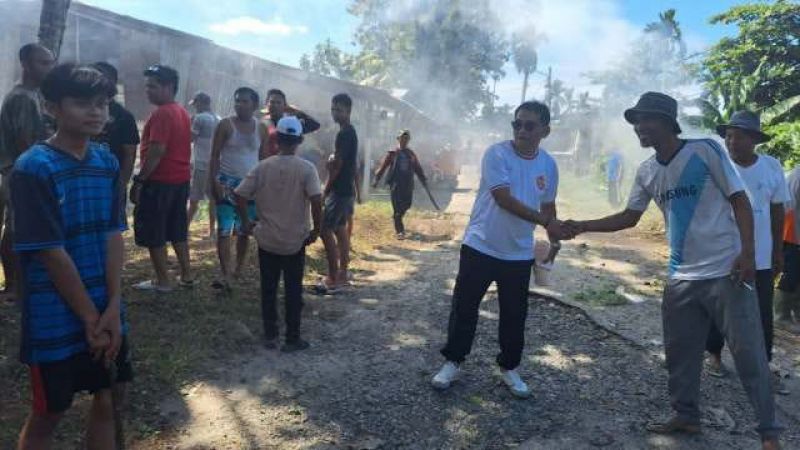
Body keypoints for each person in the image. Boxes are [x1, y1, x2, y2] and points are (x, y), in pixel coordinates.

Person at [564, 92, 781, 450]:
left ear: (666, 121)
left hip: (725, 272)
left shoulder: (706, 150)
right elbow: (629, 217)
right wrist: (579, 225)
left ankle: (769, 433)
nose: (638, 127)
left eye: (644, 119)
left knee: (749, 353)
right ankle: (686, 417)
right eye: (635, 121)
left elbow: (740, 201)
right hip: (681, 277)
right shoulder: (648, 171)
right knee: (680, 354)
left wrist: (747, 253)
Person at [13, 63, 131, 450]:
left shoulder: (107, 163)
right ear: (51, 108)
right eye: (82, 103)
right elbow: (50, 252)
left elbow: (114, 234)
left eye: (102, 104)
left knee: (109, 396)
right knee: (50, 411)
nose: (96, 112)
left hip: (105, 306)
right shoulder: (33, 168)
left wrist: (113, 306)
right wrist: (89, 318)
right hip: (55, 314)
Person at [431, 101, 566, 399]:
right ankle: (452, 362)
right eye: (517, 124)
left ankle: (509, 368)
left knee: (515, 315)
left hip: (518, 253)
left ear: (545, 130)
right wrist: (544, 220)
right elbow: (503, 198)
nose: (521, 130)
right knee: (464, 307)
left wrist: (553, 236)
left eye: (529, 125)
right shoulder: (497, 154)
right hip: (481, 244)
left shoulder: (548, 165)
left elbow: (548, 205)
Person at [705, 111, 789, 380]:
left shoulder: (772, 166)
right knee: (719, 307)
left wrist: (778, 250)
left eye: (739, 137)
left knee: (760, 312)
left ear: (754, 140)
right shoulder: (717, 165)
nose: (731, 142)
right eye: (728, 136)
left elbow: (778, 211)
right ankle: (715, 356)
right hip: (723, 254)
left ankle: (762, 362)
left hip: (761, 256)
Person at [235, 116, 322, 351]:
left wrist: (246, 223)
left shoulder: (262, 167)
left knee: (269, 288)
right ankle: (292, 338)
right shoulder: (307, 169)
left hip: (267, 239)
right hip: (295, 240)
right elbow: (316, 200)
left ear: (277, 139)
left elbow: (240, 195)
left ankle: (270, 335)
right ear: (299, 140)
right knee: (293, 290)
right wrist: (317, 229)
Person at [131, 65, 194, 292]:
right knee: (177, 228)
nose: (147, 91)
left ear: (168, 87)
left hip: (160, 181)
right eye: (147, 85)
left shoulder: (162, 113)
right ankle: (186, 275)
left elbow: (157, 150)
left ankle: (163, 280)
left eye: (153, 86)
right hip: (180, 180)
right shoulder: (181, 112)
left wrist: (140, 179)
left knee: (154, 230)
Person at [0, 43, 54, 302]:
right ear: (26, 64)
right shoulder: (22, 98)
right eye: (43, 62)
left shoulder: (35, 95)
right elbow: (23, 142)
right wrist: (36, 172)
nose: (48, 68)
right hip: (20, 171)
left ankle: (21, 284)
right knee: (15, 228)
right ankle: (12, 287)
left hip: (27, 170)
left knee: (22, 226)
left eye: (50, 62)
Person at [208, 87, 264, 290]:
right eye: (237, 101)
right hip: (226, 185)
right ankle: (226, 273)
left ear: (255, 105)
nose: (239, 104)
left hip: (250, 187)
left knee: (244, 230)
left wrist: (263, 187)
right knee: (224, 230)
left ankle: (238, 270)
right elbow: (214, 155)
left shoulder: (261, 128)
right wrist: (214, 181)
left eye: (244, 101)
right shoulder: (225, 125)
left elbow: (264, 159)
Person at [91, 62, 140, 227]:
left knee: (109, 231)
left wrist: (120, 185)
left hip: (110, 184)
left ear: (111, 82)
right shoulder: (78, 110)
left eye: (99, 76)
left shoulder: (123, 116)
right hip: (82, 182)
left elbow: (130, 154)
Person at [319, 93, 358, 292]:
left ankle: (334, 277)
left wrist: (325, 189)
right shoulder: (349, 132)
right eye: (333, 109)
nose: (335, 113)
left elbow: (338, 165)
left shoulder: (344, 134)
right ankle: (342, 272)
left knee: (324, 229)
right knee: (340, 229)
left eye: (339, 110)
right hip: (346, 190)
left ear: (348, 111)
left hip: (339, 190)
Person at [372, 129, 428, 239]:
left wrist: (423, 179)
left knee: (407, 204)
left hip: (408, 185)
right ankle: (400, 231)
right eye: (402, 138)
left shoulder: (411, 154)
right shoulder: (392, 153)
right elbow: (383, 167)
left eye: (406, 138)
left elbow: (417, 168)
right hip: (395, 185)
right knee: (397, 209)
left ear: (408, 140)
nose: (404, 140)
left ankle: (398, 218)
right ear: (398, 139)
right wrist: (376, 180)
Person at [187, 92, 219, 238]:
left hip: (200, 163)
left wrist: (189, 124)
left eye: (195, 104)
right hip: (214, 164)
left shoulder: (199, 118)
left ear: (201, 103)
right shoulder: (217, 118)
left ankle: (184, 228)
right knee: (212, 198)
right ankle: (212, 230)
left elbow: (190, 139)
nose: (195, 107)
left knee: (194, 198)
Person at [260, 89, 320, 159]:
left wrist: (297, 112)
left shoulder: (291, 123)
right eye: (272, 102)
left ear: (285, 105)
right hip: (267, 162)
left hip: (288, 162)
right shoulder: (263, 122)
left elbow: (315, 125)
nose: (275, 105)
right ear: (267, 104)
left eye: (278, 103)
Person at [776, 167, 800, 333]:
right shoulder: (798, 174)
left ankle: (797, 312)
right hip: (793, 232)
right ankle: (781, 316)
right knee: (790, 274)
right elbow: (786, 204)